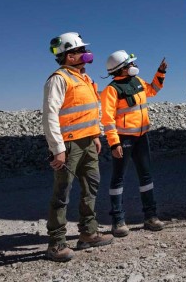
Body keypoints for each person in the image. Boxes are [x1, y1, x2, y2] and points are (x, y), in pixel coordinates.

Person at [42, 32, 114, 262]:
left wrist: (95, 135)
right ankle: (56, 244)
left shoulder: (85, 78)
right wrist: (57, 148)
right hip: (69, 144)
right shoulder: (59, 79)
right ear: (70, 56)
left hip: (88, 141)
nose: (86, 54)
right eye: (81, 51)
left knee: (91, 187)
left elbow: (89, 110)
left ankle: (88, 233)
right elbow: (50, 115)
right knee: (62, 193)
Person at [100, 50, 167, 237]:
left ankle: (150, 217)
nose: (133, 66)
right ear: (121, 69)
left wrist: (160, 72)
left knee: (146, 177)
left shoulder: (137, 82)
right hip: (123, 140)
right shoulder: (111, 90)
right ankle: (118, 221)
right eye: (129, 64)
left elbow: (153, 89)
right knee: (118, 178)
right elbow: (108, 120)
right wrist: (114, 143)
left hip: (141, 137)